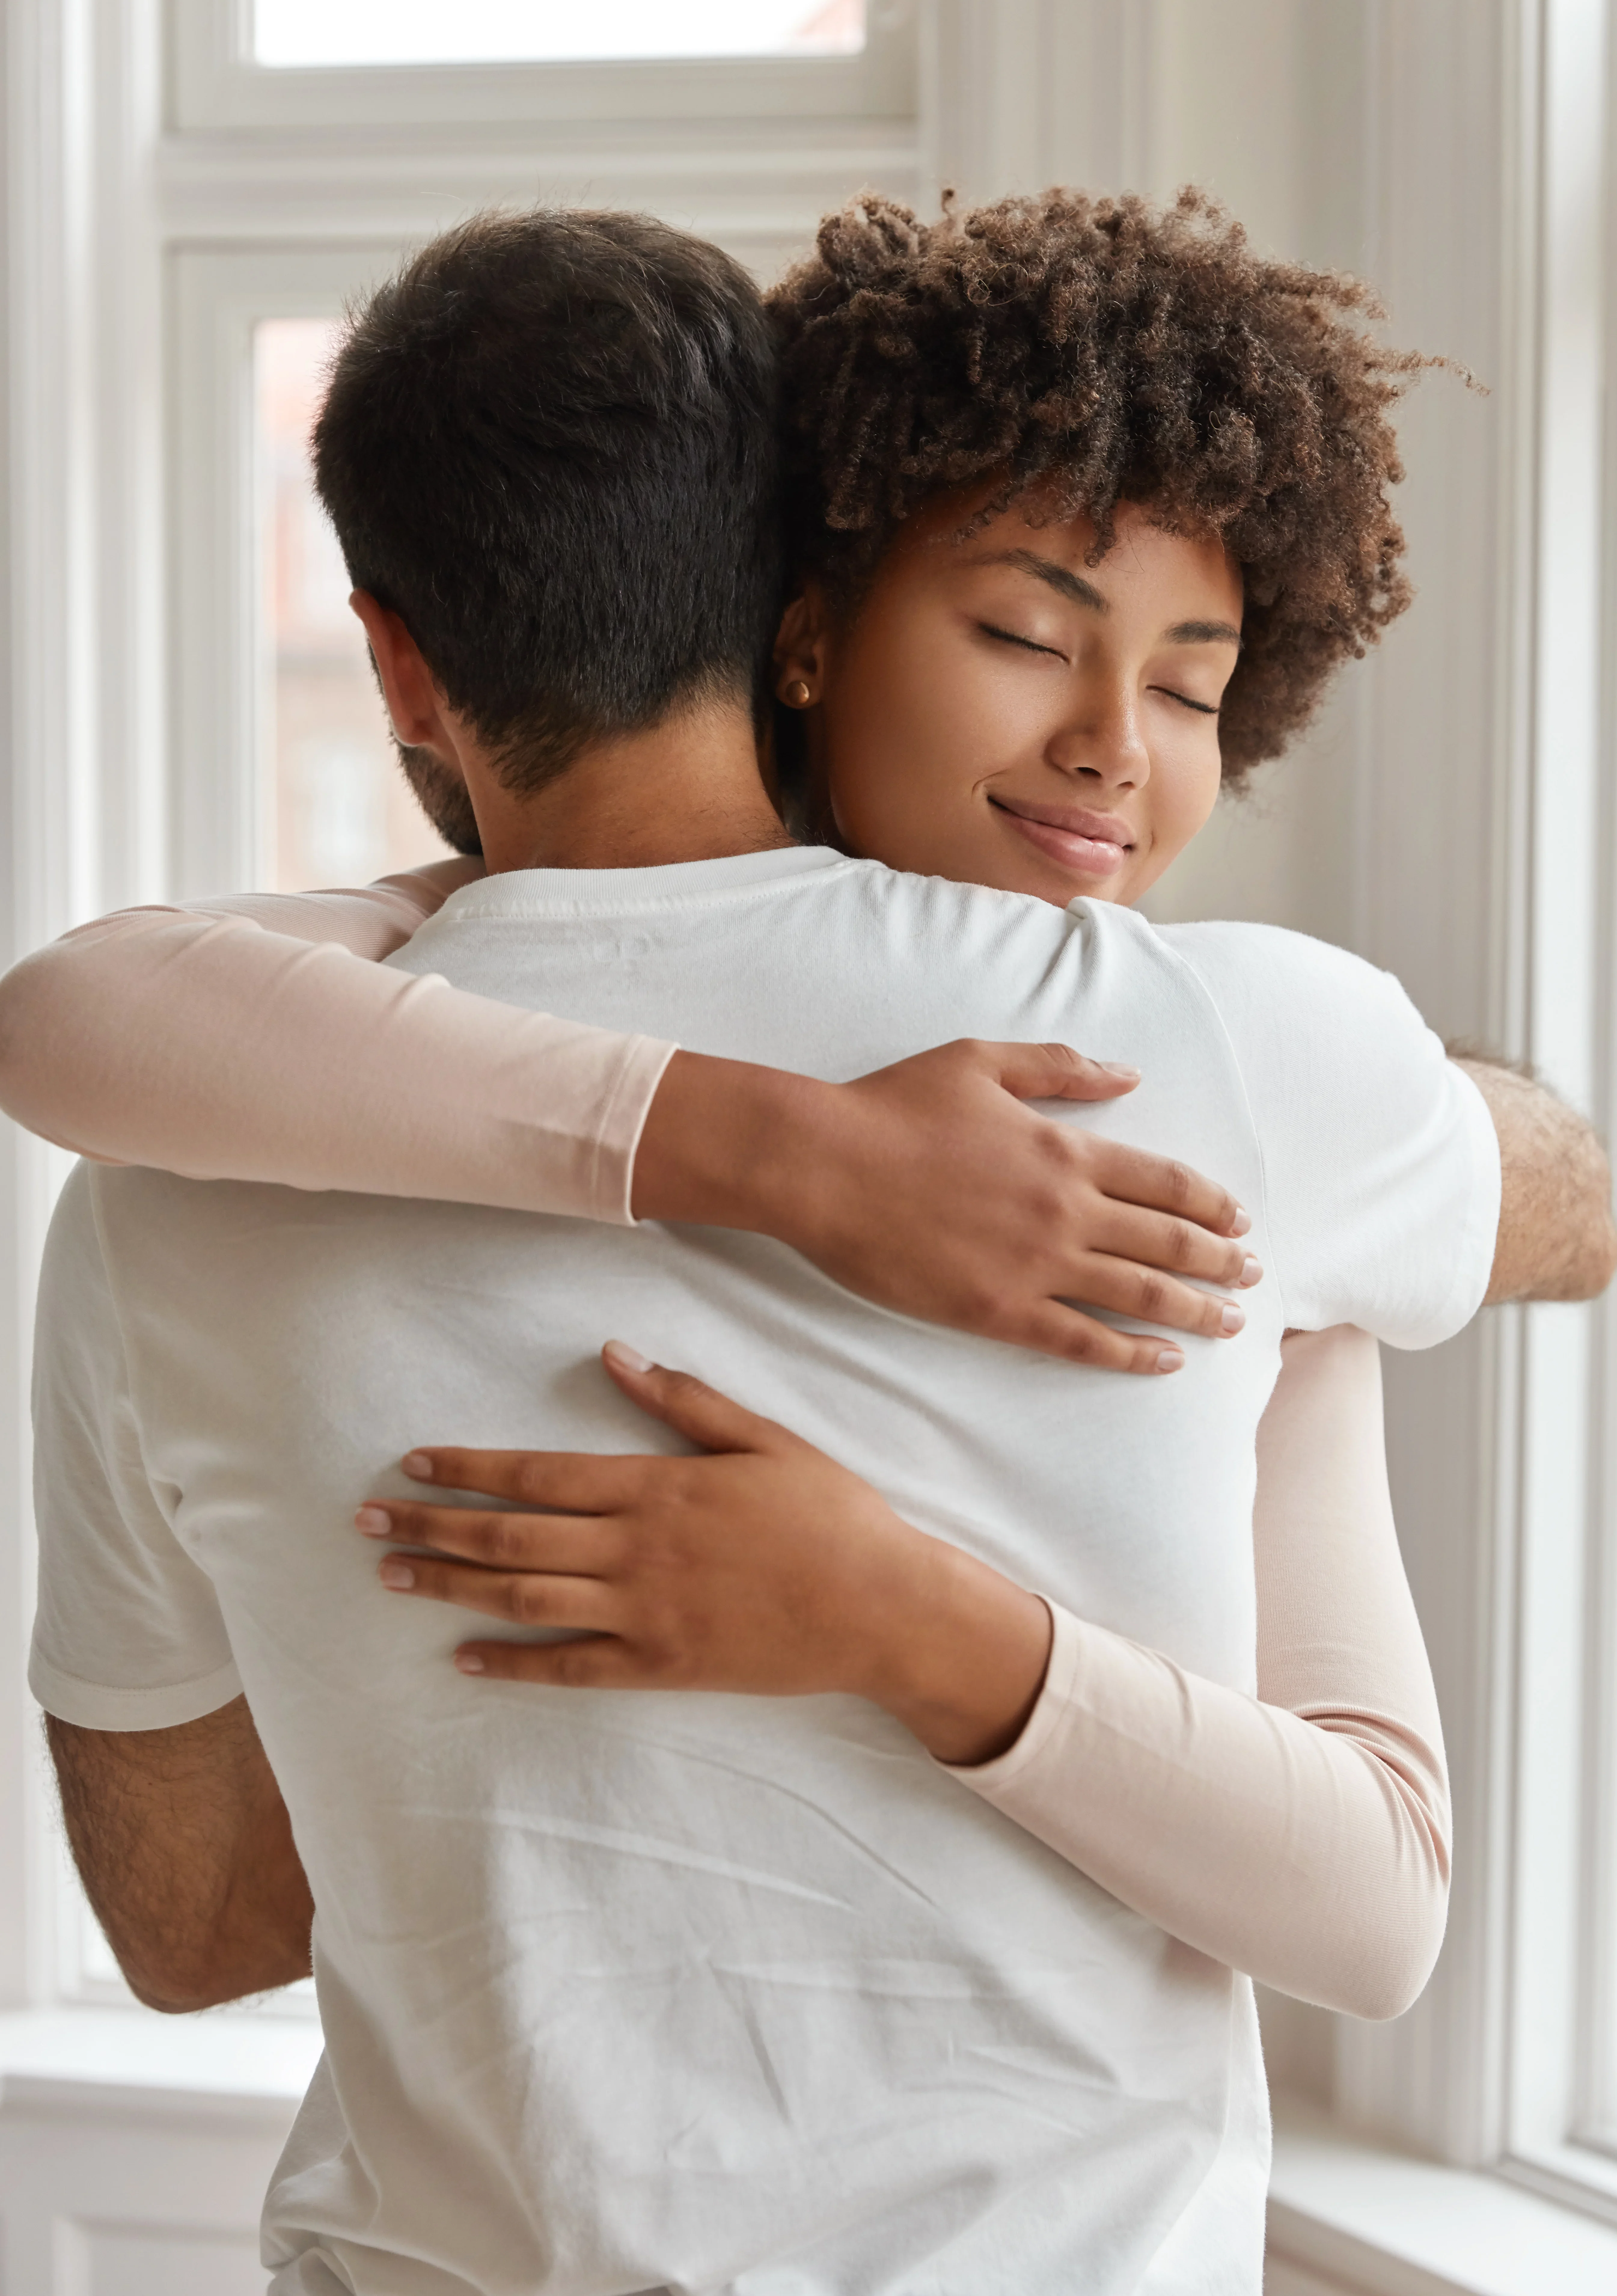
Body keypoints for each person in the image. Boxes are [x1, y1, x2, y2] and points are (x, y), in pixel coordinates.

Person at [19, 199, 1612, 2296]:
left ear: (397, 650)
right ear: (804, 597)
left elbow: (197, 1923)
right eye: (1028, 632)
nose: (1112, 745)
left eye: (1188, 683)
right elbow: (1564, 1198)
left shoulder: (175, 1168)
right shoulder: (1231, 1071)